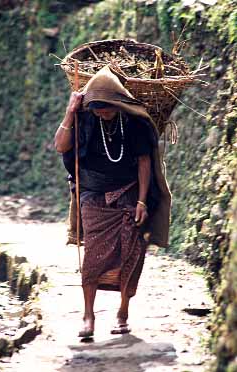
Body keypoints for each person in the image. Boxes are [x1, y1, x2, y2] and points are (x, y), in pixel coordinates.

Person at [54, 66, 171, 338]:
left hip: (129, 193)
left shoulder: (134, 123)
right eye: (96, 109)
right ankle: (88, 316)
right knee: (92, 256)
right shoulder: (83, 119)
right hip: (93, 196)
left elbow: (144, 162)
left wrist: (142, 201)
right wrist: (71, 110)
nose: (102, 113)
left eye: (106, 108)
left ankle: (123, 312)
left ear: (118, 103)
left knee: (132, 251)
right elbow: (61, 146)